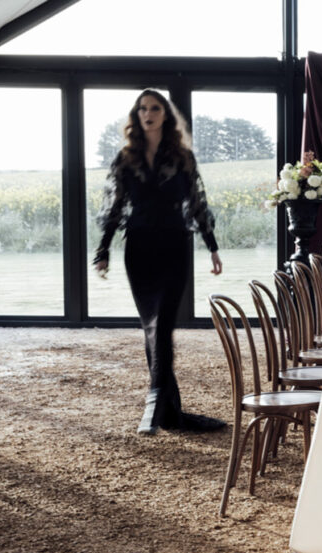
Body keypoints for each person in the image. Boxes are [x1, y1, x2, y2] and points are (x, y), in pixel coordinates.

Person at [93, 89, 225, 435]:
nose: (147, 114)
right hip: (138, 249)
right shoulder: (125, 158)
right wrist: (103, 249)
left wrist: (212, 246)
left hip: (174, 246)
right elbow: (114, 206)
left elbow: (197, 203)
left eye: (154, 108)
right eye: (142, 109)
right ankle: (168, 410)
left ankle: (153, 405)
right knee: (150, 325)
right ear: (136, 116)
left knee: (162, 323)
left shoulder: (182, 157)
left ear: (165, 115)